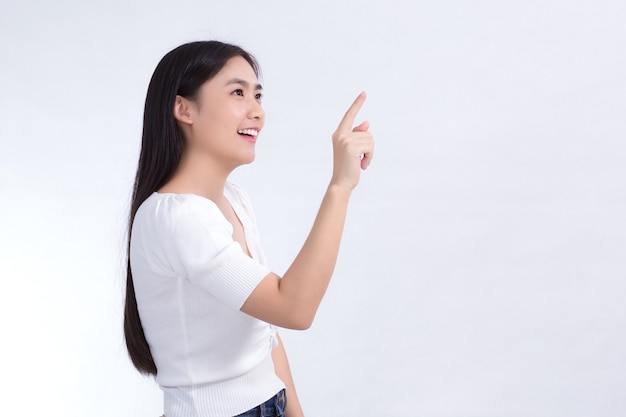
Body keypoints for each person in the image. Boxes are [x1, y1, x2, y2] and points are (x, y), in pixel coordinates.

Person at [123, 40, 374, 417]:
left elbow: (266, 333)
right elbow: (294, 308)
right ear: (183, 108)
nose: (256, 111)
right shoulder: (176, 217)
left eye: (258, 95)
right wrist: (340, 186)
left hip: (271, 404)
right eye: (238, 92)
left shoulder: (233, 200)